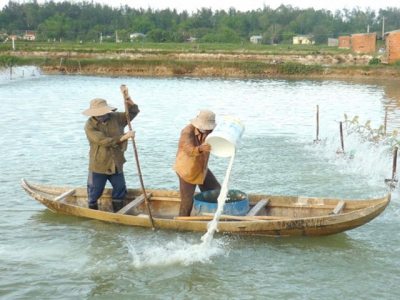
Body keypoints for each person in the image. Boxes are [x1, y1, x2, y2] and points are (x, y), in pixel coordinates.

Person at [82, 85, 139, 212]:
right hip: (99, 164)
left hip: (116, 162)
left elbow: (133, 112)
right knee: (94, 192)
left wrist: (127, 97)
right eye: (98, 114)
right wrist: (124, 137)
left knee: (120, 190)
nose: (101, 116)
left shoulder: (116, 117)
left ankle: (118, 213)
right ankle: (93, 213)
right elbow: (102, 141)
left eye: (103, 113)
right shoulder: (90, 126)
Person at [173, 109, 222, 216]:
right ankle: (182, 223)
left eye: (209, 128)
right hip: (187, 169)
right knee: (187, 200)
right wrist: (199, 149)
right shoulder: (187, 131)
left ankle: (213, 214)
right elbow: (188, 149)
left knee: (217, 191)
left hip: (201, 168)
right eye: (206, 128)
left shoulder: (210, 132)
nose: (208, 130)